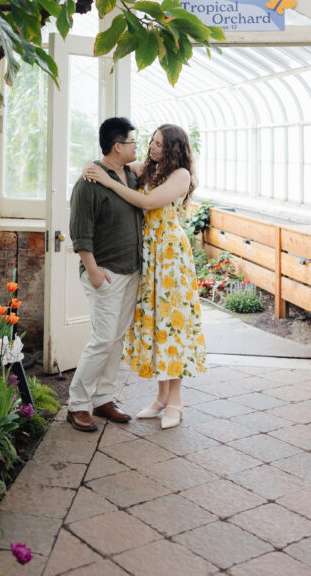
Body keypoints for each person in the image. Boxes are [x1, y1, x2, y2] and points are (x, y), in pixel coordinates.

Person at [83, 124, 206, 429]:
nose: (152, 147)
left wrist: (109, 184)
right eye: (151, 141)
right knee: (156, 324)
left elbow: (149, 203)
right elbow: (113, 164)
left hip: (170, 255)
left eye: (159, 144)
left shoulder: (181, 175)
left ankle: (176, 402)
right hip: (149, 255)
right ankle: (161, 397)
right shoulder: (147, 169)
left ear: (173, 148)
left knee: (172, 323)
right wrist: (90, 168)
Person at [66, 116, 143, 432]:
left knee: (116, 338)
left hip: (131, 271)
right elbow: (80, 231)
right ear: (117, 146)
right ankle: (77, 405)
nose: (137, 146)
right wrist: (94, 271)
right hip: (105, 273)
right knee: (102, 340)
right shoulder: (89, 182)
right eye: (133, 141)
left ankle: (103, 399)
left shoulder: (131, 176)